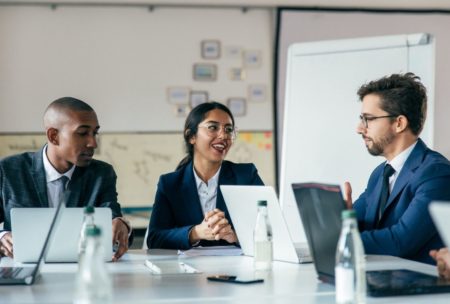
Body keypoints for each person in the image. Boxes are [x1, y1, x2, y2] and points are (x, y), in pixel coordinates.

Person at [0, 97, 131, 261]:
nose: (93, 143)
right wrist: (2, 237)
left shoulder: (101, 174)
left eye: (95, 133)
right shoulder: (8, 170)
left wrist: (121, 225)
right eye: (83, 133)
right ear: (54, 136)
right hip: (22, 269)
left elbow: (112, 218)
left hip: (80, 272)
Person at [344, 73, 450, 264]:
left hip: (418, 288)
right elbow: (360, 225)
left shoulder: (436, 173)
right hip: (384, 280)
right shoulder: (380, 174)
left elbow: (401, 241)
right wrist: (342, 218)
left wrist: (342, 237)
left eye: (368, 119)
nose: (360, 128)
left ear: (399, 123)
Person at [147, 102, 264, 249]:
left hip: (237, 269)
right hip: (189, 270)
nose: (223, 135)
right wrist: (195, 233)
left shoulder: (246, 176)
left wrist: (236, 236)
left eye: (228, 130)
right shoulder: (170, 184)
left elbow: (270, 228)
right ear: (191, 136)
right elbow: (155, 238)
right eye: (213, 127)